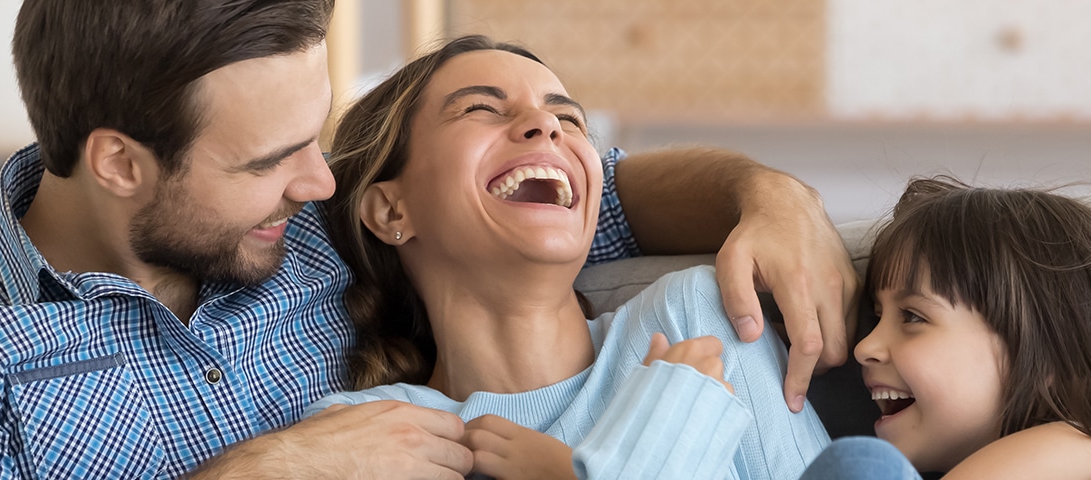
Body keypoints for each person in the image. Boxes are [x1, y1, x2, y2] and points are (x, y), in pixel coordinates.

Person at [0, 1, 859, 478]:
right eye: (270, 160)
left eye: (318, 140)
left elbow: (599, 196)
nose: (321, 183)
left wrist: (765, 193)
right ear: (119, 163)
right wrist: (264, 474)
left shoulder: (334, 226)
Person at [308, 35, 835, 479]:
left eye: (568, 118)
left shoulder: (695, 317)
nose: (548, 126)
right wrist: (662, 436)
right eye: (482, 109)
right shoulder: (365, 434)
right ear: (391, 211)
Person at [850, 177, 1091, 479]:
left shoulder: (1084, 450)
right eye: (877, 315)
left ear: (1055, 355)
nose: (864, 347)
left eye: (913, 316)